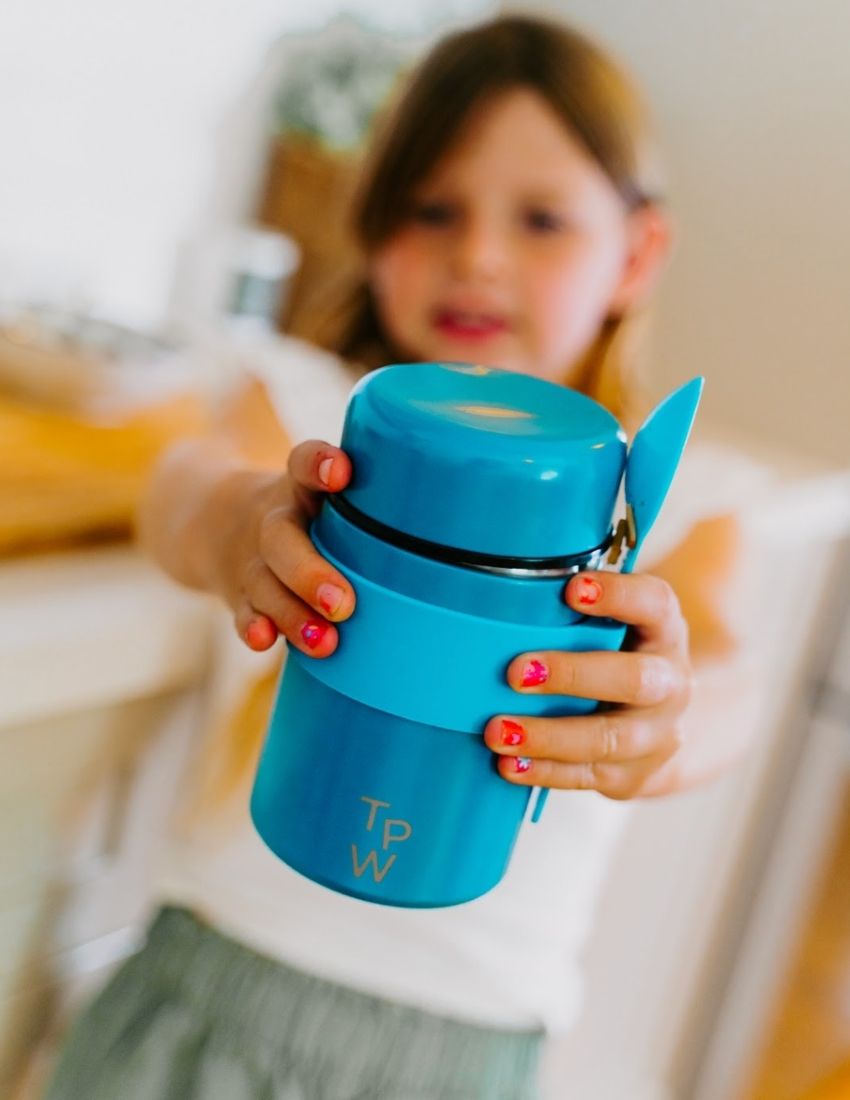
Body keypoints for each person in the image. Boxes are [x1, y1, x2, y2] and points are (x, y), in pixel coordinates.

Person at [43, 13, 757, 1099]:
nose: (476, 255)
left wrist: (661, 710)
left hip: (461, 1048)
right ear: (372, 233)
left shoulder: (678, 498)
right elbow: (176, 489)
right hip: (201, 997)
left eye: (540, 220)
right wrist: (242, 524)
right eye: (431, 209)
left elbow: (720, 668)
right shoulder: (301, 412)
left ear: (638, 251)